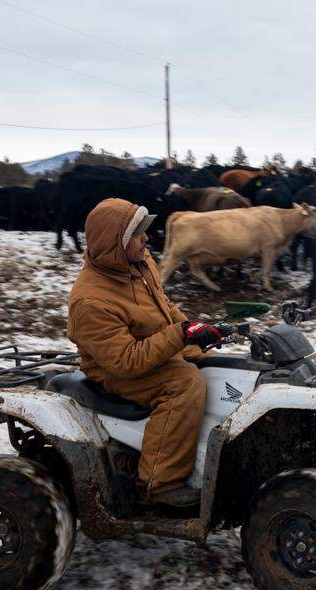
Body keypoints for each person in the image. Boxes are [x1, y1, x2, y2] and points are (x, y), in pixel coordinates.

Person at [67, 198, 225, 508]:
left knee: (221, 367)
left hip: (151, 349)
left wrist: (193, 332)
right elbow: (125, 361)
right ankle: (159, 483)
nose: (147, 239)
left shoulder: (138, 263)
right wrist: (180, 335)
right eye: (138, 234)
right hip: (115, 370)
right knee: (184, 384)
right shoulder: (90, 301)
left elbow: (164, 306)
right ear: (115, 243)